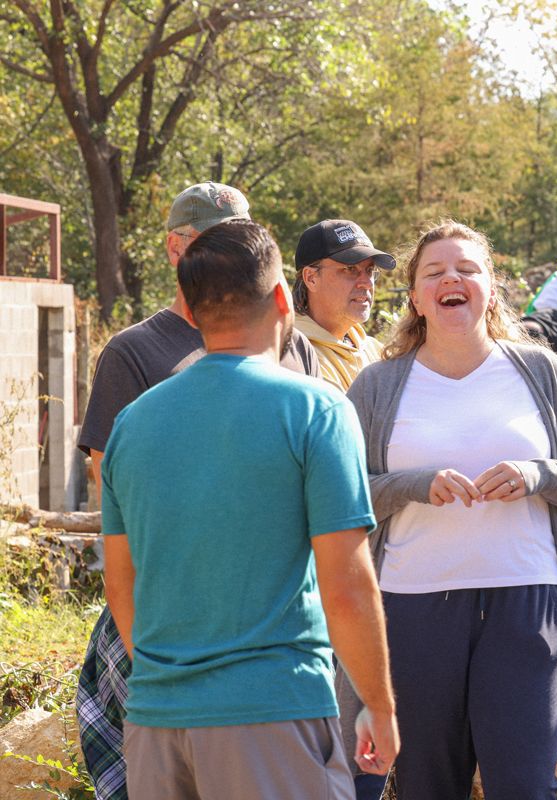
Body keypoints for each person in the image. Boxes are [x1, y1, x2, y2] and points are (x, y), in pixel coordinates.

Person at [101, 219, 398, 799]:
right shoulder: (317, 410)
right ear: (285, 297)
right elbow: (347, 585)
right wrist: (380, 706)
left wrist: (174, 682)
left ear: (191, 307)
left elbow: (121, 584)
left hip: (157, 722)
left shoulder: (131, 425)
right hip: (274, 712)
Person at [344, 220, 557, 799]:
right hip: (411, 608)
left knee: (525, 785)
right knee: (427, 784)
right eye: (434, 272)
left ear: (491, 286)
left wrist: (538, 474)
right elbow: (341, 493)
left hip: (527, 602)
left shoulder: (541, 373)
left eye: (467, 269)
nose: (451, 279)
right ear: (415, 296)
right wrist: (411, 485)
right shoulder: (376, 386)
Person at [74, 181, 320, 800]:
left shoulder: (293, 348)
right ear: (174, 251)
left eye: (237, 236)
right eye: (210, 240)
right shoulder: (134, 351)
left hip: (278, 618)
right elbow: (111, 483)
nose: (226, 252)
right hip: (168, 609)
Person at [293, 219, 396, 391]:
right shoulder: (296, 356)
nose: (367, 283)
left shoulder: (373, 348)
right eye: (350, 269)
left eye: (370, 270)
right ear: (311, 278)